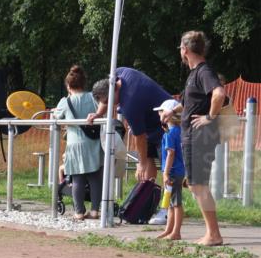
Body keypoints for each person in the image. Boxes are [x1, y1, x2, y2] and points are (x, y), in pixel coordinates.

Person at [178, 30, 226, 246]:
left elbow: (219, 94)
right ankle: (211, 232)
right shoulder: (196, 73)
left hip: (198, 136)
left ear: (185, 49)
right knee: (197, 184)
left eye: (180, 47)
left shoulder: (203, 71)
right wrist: (173, 112)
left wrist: (209, 117)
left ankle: (213, 234)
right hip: (193, 136)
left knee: (198, 185)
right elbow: (194, 102)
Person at [89, 67, 171, 182]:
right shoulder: (119, 73)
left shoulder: (130, 104)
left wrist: (141, 163)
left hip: (166, 124)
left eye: (107, 102)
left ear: (112, 90)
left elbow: (140, 137)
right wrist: (98, 113)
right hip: (150, 123)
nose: (109, 105)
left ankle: (174, 197)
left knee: (169, 169)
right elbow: (106, 98)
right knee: (147, 159)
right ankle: (148, 194)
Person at [52, 65, 103, 220]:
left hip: (74, 144)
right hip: (93, 142)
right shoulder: (93, 97)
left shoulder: (65, 102)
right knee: (95, 177)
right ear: (84, 83)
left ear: (68, 86)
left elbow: (57, 118)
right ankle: (95, 211)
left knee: (77, 178)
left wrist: (55, 112)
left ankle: (79, 212)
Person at [153, 99, 185, 240]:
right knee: (171, 203)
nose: (159, 114)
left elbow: (171, 153)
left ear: (168, 115)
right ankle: (169, 230)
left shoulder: (170, 134)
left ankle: (176, 232)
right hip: (177, 171)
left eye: (161, 111)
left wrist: (165, 172)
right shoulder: (179, 131)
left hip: (172, 172)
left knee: (176, 203)